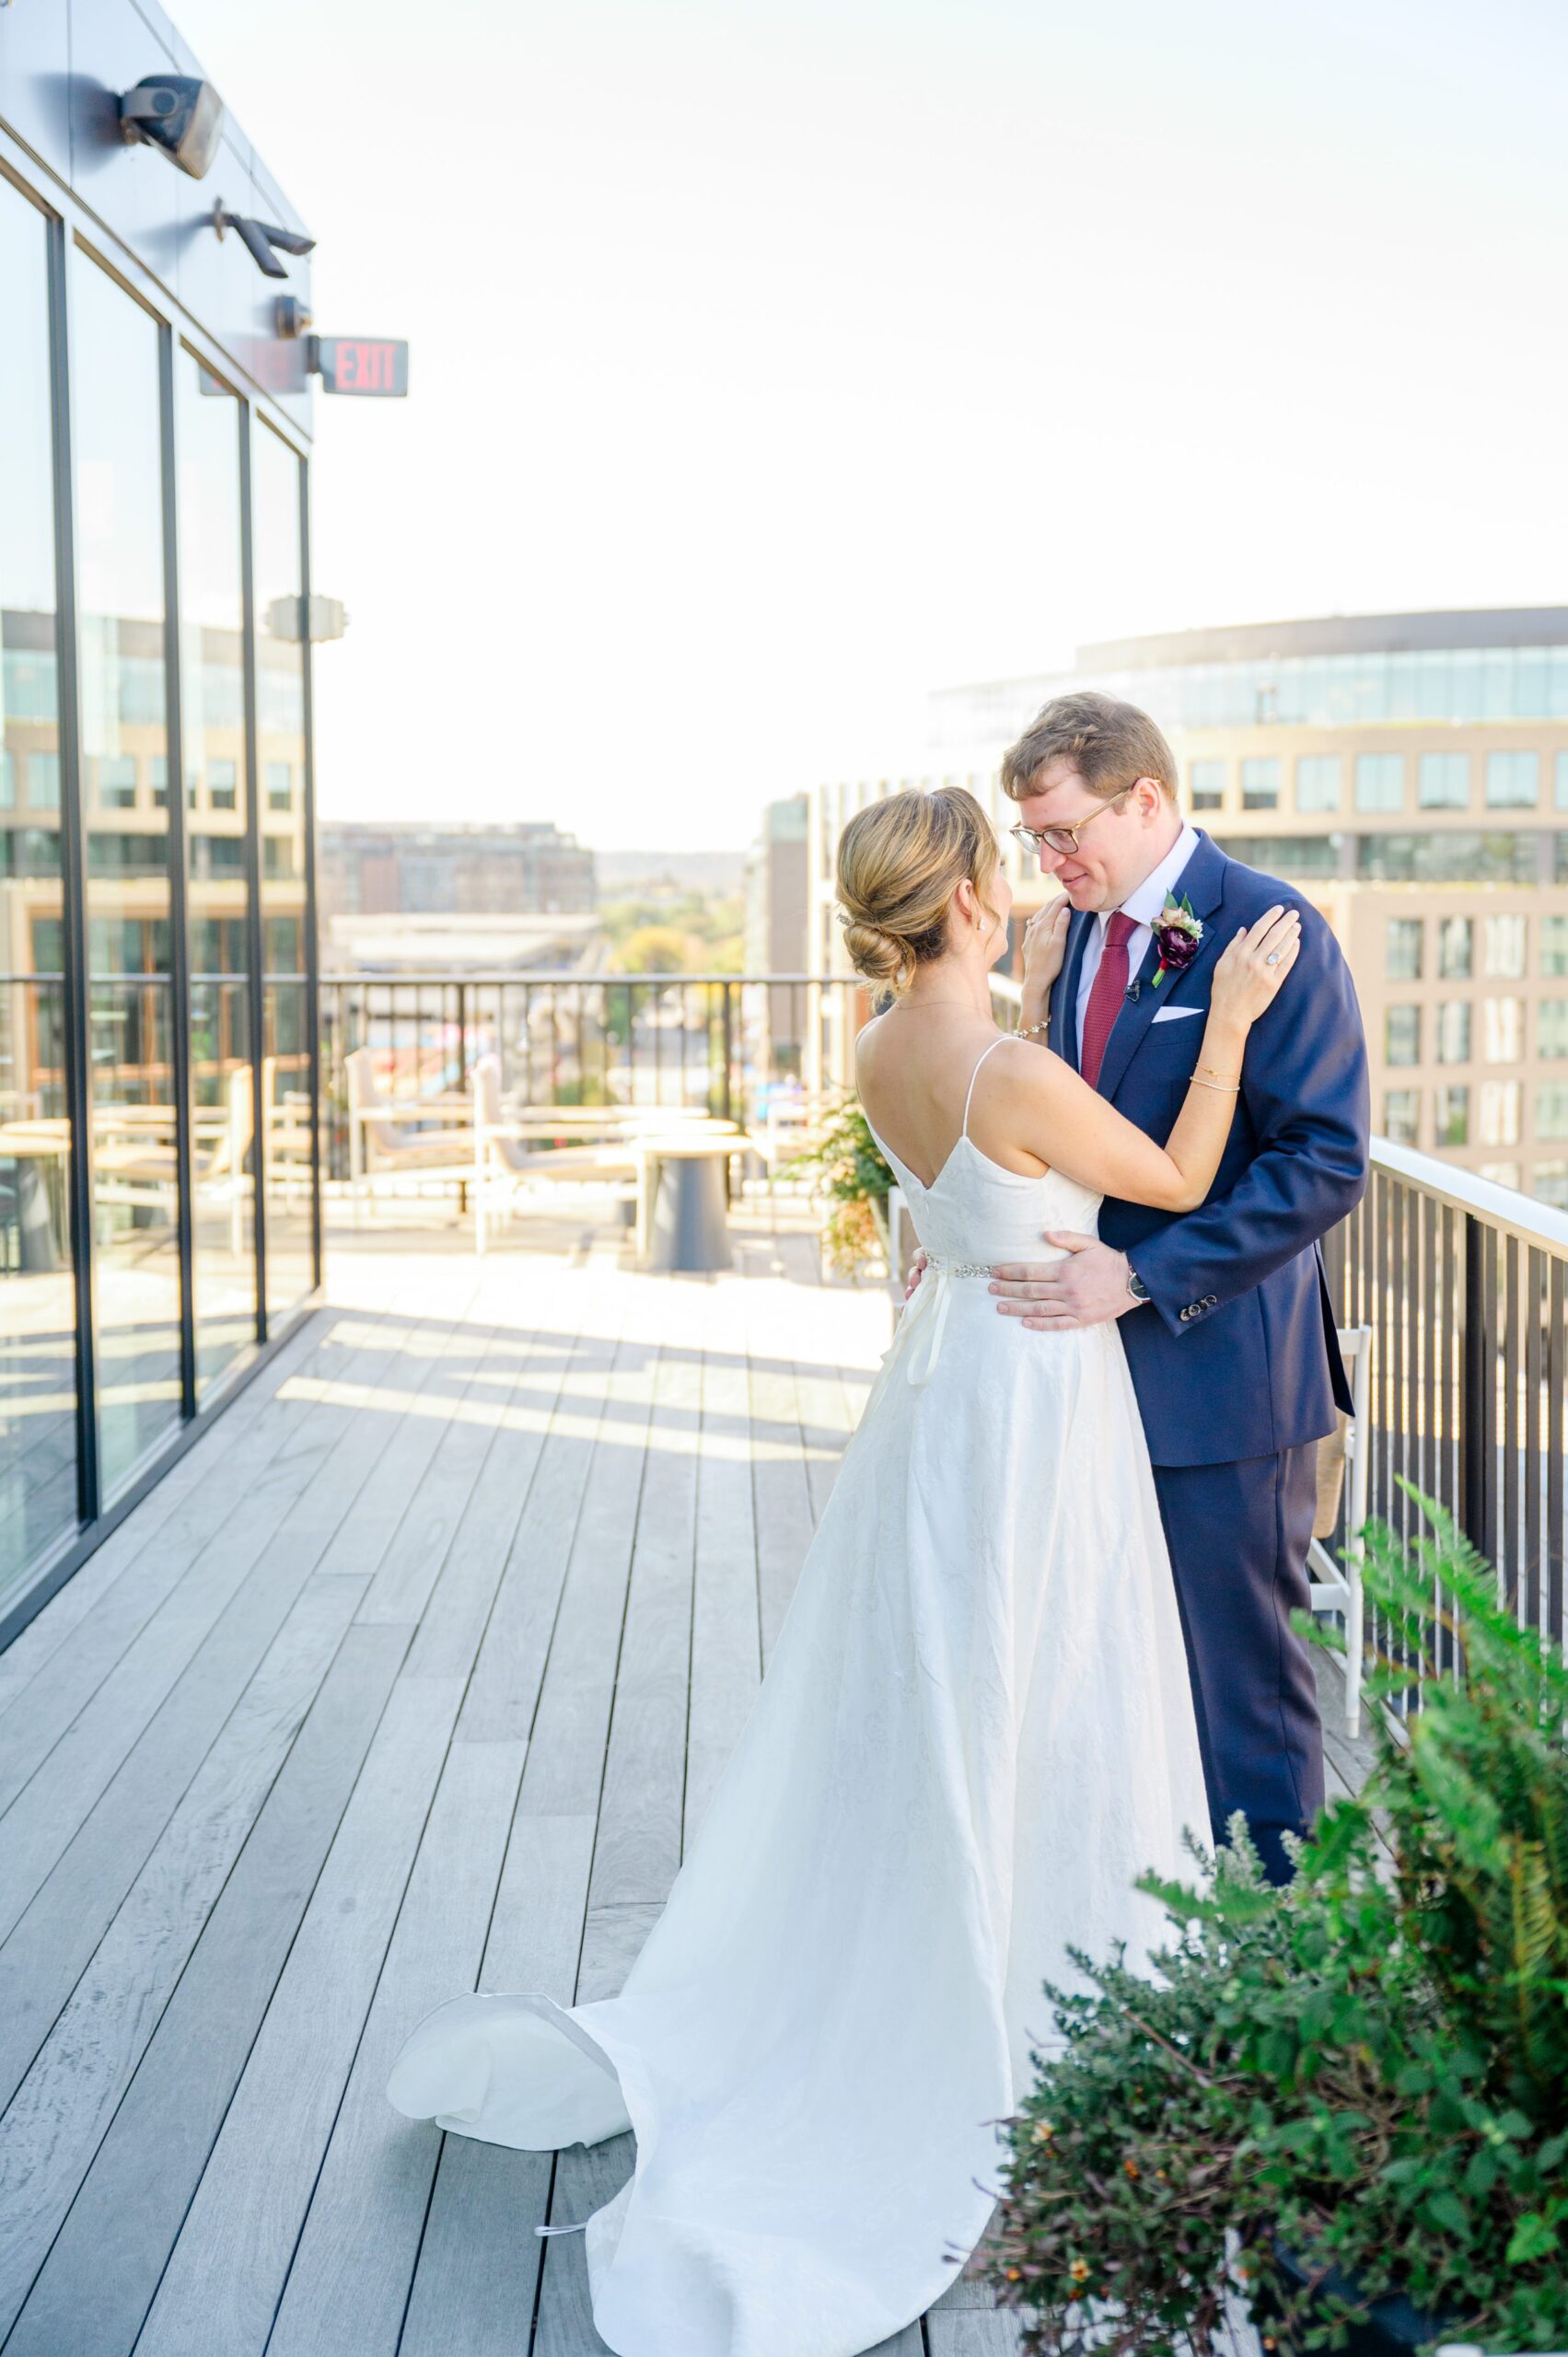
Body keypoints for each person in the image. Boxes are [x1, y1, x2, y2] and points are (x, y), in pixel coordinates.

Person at [386, 783, 1302, 2357]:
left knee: (942, 1693)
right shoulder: (1010, 1065)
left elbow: (940, 1218)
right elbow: (1172, 1176)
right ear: (958, 904)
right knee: (1052, 1683)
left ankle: (969, 1961)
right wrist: (1225, 1025)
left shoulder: (882, 1051)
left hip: (946, 1394)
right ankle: (1020, 2009)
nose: (1020, 882)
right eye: (1002, 868)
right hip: (1033, 1402)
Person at [912, 690, 1371, 1887]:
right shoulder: (1073, 939)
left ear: (1148, 799)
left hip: (1221, 1385)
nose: (1048, 861)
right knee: (1121, 1677)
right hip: (1084, 1381)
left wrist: (1149, 1277)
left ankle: (1279, 1961)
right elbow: (1072, 1128)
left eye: (1066, 832)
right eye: (1035, 841)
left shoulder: (1270, 929)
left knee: (1241, 1698)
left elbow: (1325, 1161)